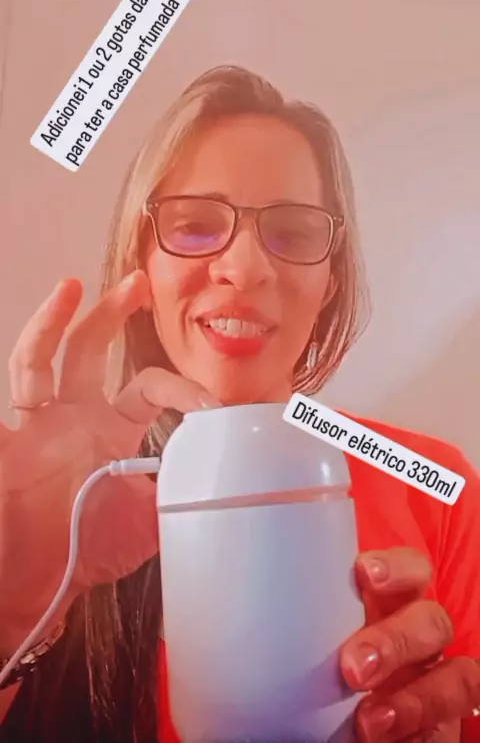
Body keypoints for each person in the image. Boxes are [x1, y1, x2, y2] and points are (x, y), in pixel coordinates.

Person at [0, 65, 479, 743]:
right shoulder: (65, 494)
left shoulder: (434, 483)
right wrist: (17, 603)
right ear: (142, 265)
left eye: (294, 233)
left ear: (330, 282)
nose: (246, 268)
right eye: (196, 225)